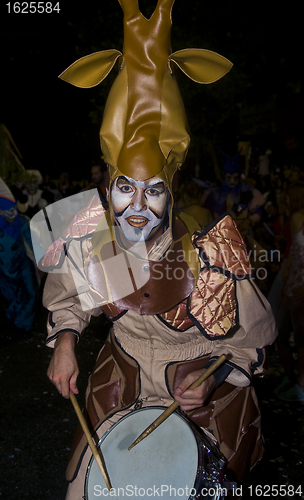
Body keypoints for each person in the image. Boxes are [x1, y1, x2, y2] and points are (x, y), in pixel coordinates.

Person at [35, 1, 277, 498]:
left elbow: (251, 346)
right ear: (109, 185)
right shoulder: (89, 230)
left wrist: (214, 377)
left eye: (153, 191)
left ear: (171, 191)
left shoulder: (209, 249)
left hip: (193, 395)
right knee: (83, 488)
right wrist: (64, 341)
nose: (137, 207)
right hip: (119, 379)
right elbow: (67, 297)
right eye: (125, 188)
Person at [274, 181, 304, 402]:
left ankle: (299, 387)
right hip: (294, 282)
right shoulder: (293, 218)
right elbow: (295, 252)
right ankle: (291, 379)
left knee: (299, 338)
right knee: (281, 331)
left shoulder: (297, 218)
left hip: (299, 285)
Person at [0, 178, 39, 335]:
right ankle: (13, 320)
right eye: (7, 212)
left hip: (23, 265)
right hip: (4, 270)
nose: (12, 215)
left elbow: (34, 244)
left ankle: (23, 326)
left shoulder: (22, 222)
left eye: (13, 210)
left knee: (30, 294)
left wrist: (39, 262)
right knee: (11, 295)